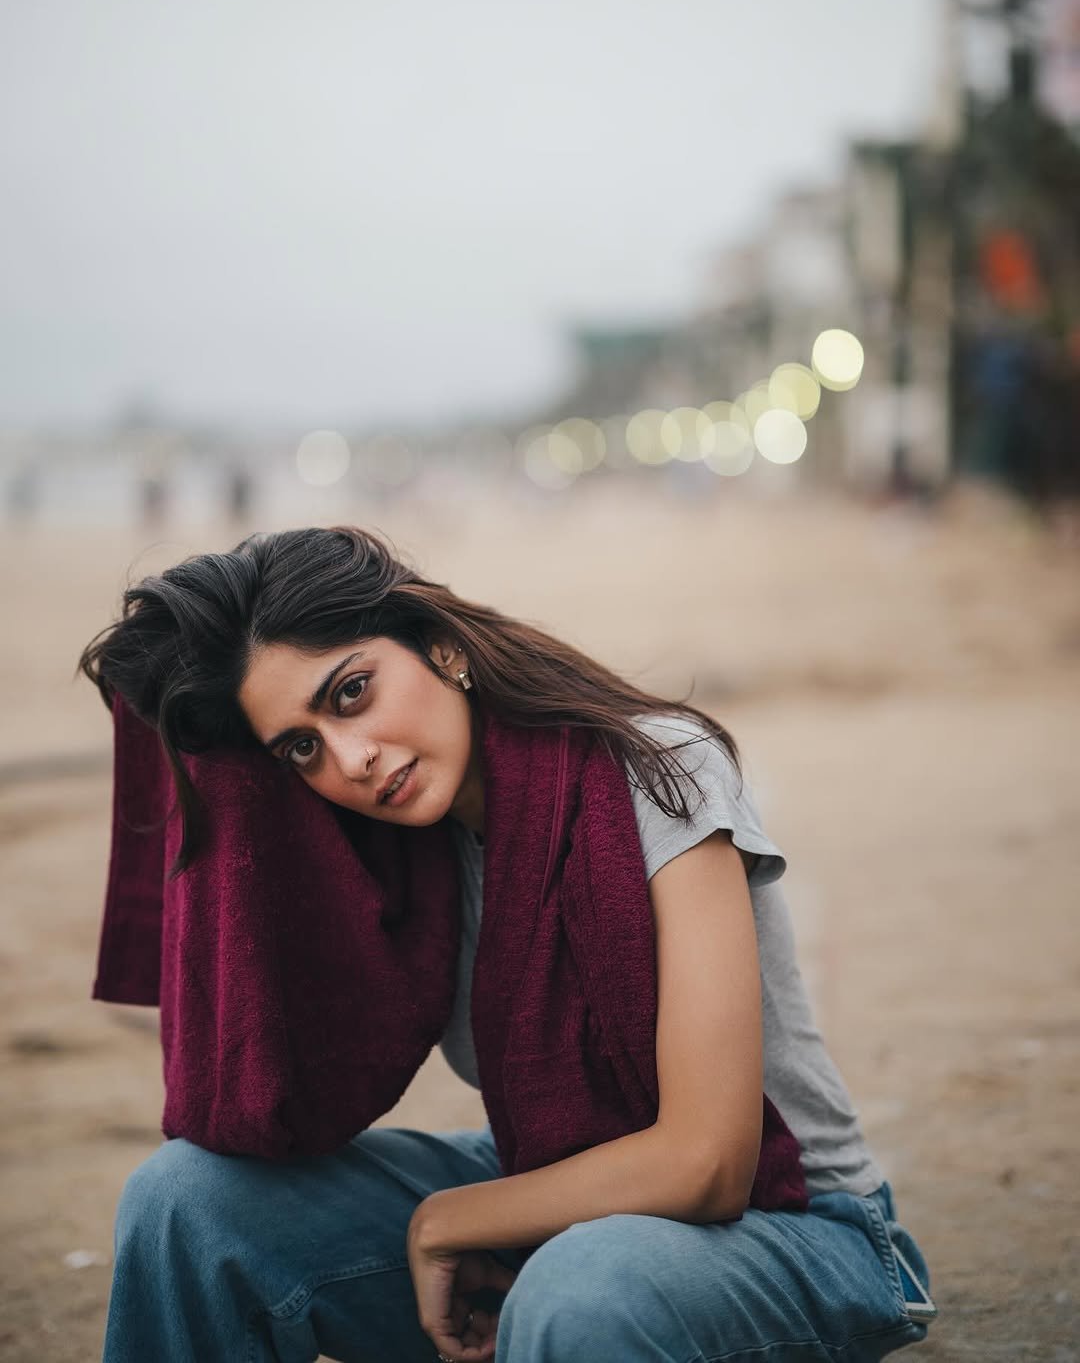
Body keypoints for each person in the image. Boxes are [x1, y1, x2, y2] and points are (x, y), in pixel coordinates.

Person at [79, 523, 935, 1363]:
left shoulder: (660, 769)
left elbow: (709, 1159)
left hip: (790, 1222)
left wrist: (447, 1219)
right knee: (183, 1198)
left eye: (352, 692)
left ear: (441, 645)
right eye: (303, 747)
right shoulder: (389, 860)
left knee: (576, 1288)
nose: (352, 758)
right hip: (560, 1192)